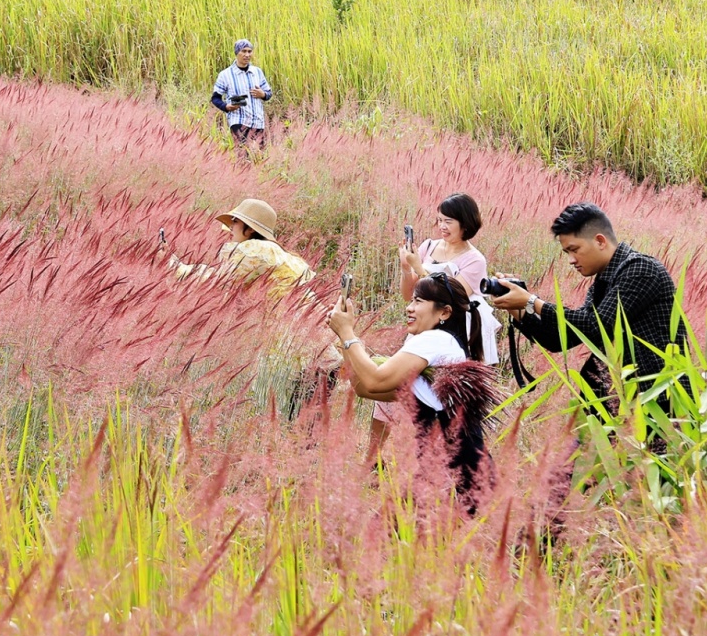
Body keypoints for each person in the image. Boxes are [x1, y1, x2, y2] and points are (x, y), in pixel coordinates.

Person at [326, 273, 497, 513]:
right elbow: (364, 388)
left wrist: (347, 335)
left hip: (453, 481)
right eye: (412, 300)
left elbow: (375, 380)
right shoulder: (445, 349)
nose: (409, 308)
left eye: (418, 301)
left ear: (444, 313)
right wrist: (345, 339)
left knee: (382, 540)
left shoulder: (435, 339)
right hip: (458, 478)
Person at [488, 203, 677, 404]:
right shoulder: (603, 282)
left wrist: (532, 301)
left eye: (574, 249)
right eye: (566, 252)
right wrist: (518, 309)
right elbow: (560, 339)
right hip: (620, 402)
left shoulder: (641, 269)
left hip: (656, 402)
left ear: (600, 241)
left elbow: (596, 325)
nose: (571, 260)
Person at [399, 193, 502, 365]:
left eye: (448, 221)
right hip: (425, 322)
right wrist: (405, 267)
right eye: (439, 220)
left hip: (456, 330)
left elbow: (452, 297)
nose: (442, 226)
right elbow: (407, 294)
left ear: (465, 223)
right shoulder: (429, 246)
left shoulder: (475, 260)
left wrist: (418, 267)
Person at [168, 198, 313, 298]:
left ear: (250, 229)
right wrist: (175, 262)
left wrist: (173, 266)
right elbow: (223, 275)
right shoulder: (270, 251)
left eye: (235, 221)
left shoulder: (255, 250)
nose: (230, 226)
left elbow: (219, 282)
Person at [211, 39, 272, 162]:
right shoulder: (225, 74)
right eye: (244, 51)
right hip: (238, 121)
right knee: (243, 156)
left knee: (258, 158)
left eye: (250, 51)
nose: (247, 55)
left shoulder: (257, 72)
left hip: (257, 121)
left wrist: (263, 94)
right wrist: (226, 107)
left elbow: (268, 93)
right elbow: (215, 98)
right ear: (237, 52)